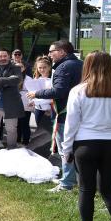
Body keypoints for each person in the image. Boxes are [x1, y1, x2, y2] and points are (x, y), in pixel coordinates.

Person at [62, 51, 111, 221]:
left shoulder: (79, 90)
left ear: (87, 66)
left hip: (86, 144)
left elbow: (71, 123)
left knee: (86, 188)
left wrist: (66, 148)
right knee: (108, 187)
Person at [27, 40, 83, 193]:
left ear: (62, 52)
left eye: (52, 51)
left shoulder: (63, 67)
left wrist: (36, 93)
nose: (49, 54)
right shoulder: (81, 64)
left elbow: (59, 91)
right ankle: (77, 179)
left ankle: (67, 183)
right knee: (76, 149)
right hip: (81, 114)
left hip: (65, 114)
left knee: (66, 149)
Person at [31, 56, 52, 126]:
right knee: (40, 131)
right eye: (40, 68)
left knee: (49, 132)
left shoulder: (53, 80)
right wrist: (31, 101)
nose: (42, 70)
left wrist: (37, 102)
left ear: (49, 67)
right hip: (38, 110)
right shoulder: (35, 80)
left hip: (49, 109)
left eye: (44, 67)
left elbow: (52, 96)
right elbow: (32, 94)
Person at [16, 62, 33, 146]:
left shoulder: (28, 78)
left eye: (21, 67)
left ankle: (26, 140)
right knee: (17, 123)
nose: (19, 69)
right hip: (15, 102)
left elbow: (32, 91)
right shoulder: (12, 77)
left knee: (25, 123)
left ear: (24, 68)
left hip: (25, 102)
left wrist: (30, 102)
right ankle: (17, 140)